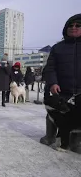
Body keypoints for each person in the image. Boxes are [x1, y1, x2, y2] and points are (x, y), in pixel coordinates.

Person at [41, 13, 81, 153]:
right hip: (60, 89)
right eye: (71, 25)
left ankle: (75, 141)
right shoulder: (58, 48)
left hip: (79, 92)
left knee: (76, 116)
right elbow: (50, 68)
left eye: (78, 25)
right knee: (54, 112)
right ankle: (50, 136)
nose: (74, 28)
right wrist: (52, 83)